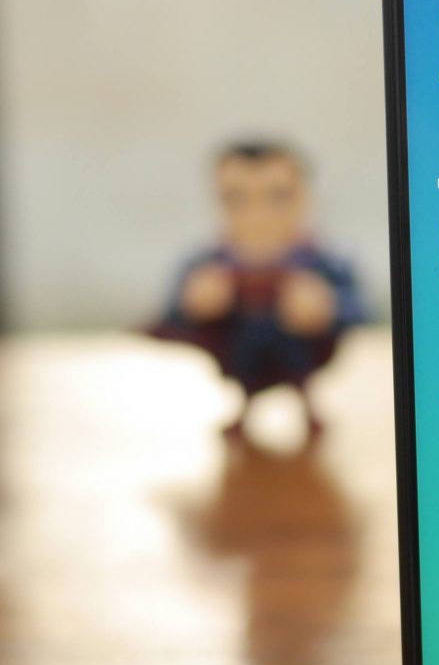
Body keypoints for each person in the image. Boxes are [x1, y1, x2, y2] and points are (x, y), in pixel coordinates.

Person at [151, 140, 364, 441]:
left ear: (305, 199)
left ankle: (306, 404)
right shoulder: (206, 264)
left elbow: (360, 309)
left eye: (278, 197)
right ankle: (244, 406)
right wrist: (195, 303)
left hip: (300, 350)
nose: (258, 215)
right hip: (241, 351)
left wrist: (327, 307)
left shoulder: (324, 262)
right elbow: (170, 312)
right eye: (237, 199)